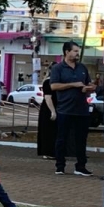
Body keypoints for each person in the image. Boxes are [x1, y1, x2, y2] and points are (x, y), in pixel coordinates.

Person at [48, 41, 94, 177]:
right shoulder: (58, 68)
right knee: (62, 138)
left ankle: (81, 166)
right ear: (66, 52)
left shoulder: (82, 68)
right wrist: (73, 84)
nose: (77, 54)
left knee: (81, 139)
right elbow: (53, 86)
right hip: (64, 109)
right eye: (75, 51)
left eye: (78, 51)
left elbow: (87, 84)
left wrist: (89, 88)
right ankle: (60, 166)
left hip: (82, 109)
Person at [36, 69, 57, 159]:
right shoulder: (48, 82)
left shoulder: (54, 82)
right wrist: (53, 111)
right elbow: (48, 98)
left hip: (54, 107)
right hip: (49, 108)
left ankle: (52, 151)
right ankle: (47, 151)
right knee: (48, 131)